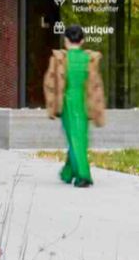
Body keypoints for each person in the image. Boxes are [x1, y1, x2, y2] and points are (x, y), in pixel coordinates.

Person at [41, 21, 105, 186]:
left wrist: (52, 104)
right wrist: (97, 107)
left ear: (66, 40)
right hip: (84, 101)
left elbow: (49, 83)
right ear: (82, 41)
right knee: (79, 136)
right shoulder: (89, 59)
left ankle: (83, 175)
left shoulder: (59, 59)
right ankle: (67, 173)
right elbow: (96, 84)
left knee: (74, 137)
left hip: (67, 101)